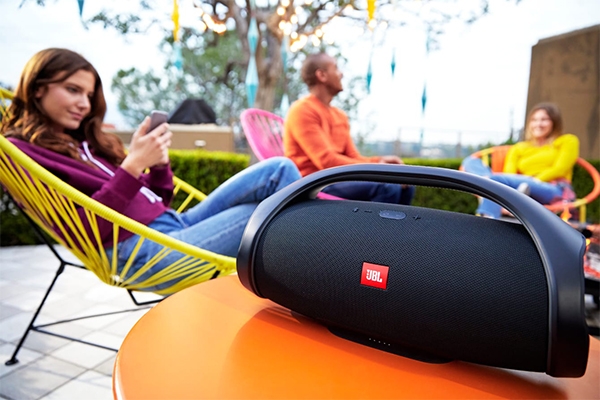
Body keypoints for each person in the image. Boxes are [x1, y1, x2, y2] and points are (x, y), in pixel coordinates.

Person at [1, 48, 301, 291]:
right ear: (37, 89)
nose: (84, 104)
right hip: (140, 253)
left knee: (277, 170)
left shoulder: (84, 144)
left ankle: (310, 262)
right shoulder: (20, 153)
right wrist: (132, 165)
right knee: (271, 215)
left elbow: (158, 201)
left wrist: (157, 165)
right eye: (72, 90)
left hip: (172, 226)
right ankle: (311, 270)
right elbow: (85, 231)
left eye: (89, 95)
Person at [284, 52, 415, 205]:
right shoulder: (302, 110)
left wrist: (380, 161)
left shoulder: (340, 115)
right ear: (322, 75)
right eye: (336, 68)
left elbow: (352, 156)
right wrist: (378, 168)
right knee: (387, 186)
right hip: (314, 184)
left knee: (406, 186)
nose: (341, 74)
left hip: (338, 179)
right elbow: (326, 162)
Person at [461, 102, 579, 219]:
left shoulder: (567, 141)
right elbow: (509, 174)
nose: (538, 124)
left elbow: (560, 169)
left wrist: (535, 180)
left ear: (554, 122)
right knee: (470, 162)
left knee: (493, 182)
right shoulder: (519, 148)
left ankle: (489, 217)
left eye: (544, 119)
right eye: (534, 120)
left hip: (552, 188)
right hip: (522, 186)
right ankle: (507, 193)